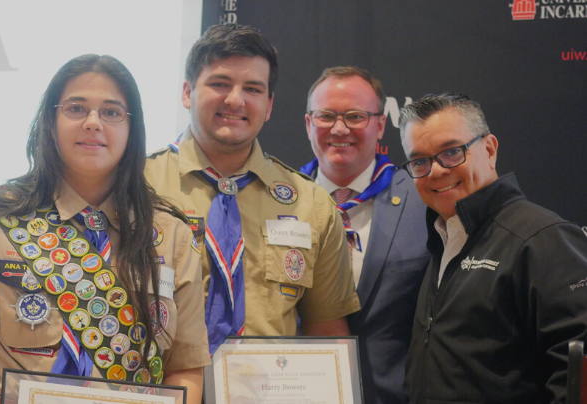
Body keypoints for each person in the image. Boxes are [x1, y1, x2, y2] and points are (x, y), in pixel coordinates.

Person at [0, 54, 209, 404]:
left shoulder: (172, 236)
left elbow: (184, 370)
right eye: (76, 109)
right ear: (50, 122)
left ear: (131, 130)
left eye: (111, 112)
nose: (93, 122)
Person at [144, 24, 360, 355]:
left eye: (253, 89)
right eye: (219, 83)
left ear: (269, 104)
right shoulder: (136, 185)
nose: (235, 100)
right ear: (187, 92)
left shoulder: (312, 204)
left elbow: (327, 331)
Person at [399, 92, 587, 403]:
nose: (435, 171)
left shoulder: (541, 238)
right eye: (419, 161)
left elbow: (576, 370)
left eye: (451, 152)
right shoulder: (443, 238)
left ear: (489, 149)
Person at [300, 67, 429, 404]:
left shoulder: (426, 201)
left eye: (355, 116)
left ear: (381, 124)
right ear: (308, 123)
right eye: (326, 116)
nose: (339, 128)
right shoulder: (275, 200)